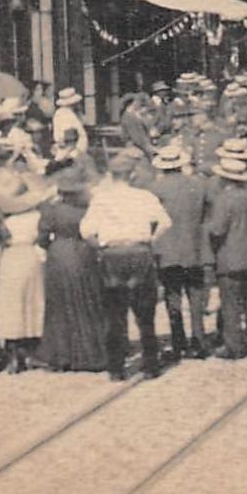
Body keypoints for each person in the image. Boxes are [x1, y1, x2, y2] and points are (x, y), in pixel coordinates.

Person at [80, 151, 172, 381]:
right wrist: (150, 241)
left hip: (113, 255)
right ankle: (151, 365)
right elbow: (165, 222)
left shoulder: (101, 199)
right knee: (145, 313)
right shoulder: (144, 197)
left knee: (115, 315)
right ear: (131, 175)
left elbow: (87, 232)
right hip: (139, 252)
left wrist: (100, 247)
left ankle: (117, 368)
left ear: (111, 175)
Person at [35, 163, 108, 373]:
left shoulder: (52, 210)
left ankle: (61, 355)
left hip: (59, 254)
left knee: (59, 306)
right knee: (88, 301)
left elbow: (42, 238)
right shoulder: (89, 209)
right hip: (84, 253)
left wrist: (49, 246)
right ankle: (91, 354)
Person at [148, 144, 214, 360]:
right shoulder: (198, 185)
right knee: (195, 298)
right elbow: (208, 215)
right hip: (194, 248)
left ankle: (179, 343)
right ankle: (199, 339)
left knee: (172, 297)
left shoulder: (155, 190)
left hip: (167, 251)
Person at [206, 155, 247, 360]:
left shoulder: (223, 199)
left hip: (229, 258)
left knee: (231, 305)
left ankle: (235, 346)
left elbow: (217, 230)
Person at [0, 177, 51, 373]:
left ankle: (13, 354)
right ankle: (31, 351)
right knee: (33, 302)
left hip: (10, 258)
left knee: (10, 304)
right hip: (29, 256)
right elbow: (43, 239)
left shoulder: (2, 221)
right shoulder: (35, 217)